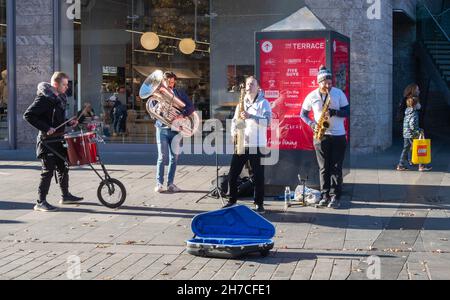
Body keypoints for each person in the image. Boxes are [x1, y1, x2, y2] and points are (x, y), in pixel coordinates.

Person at [23, 72, 84, 212]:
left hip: (58, 139)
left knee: (63, 167)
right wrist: (46, 128)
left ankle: (66, 196)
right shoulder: (44, 98)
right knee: (48, 171)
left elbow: (58, 118)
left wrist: (69, 123)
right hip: (46, 141)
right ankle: (40, 202)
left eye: (67, 84)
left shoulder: (59, 98)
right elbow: (28, 115)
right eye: (64, 84)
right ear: (55, 84)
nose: (67, 87)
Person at [300, 66, 350, 209]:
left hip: (338, 135)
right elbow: (303, 114)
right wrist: (312, 124)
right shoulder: (312, 96)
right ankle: (324, 195)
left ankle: (335, 196)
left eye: (329, 82)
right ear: (318, 82)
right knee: (323, 168)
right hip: (321, 135)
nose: (328, 85)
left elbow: (347, 111)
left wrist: (334, 112)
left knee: (336, 167)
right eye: (325, 82)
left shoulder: (338, 93)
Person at [223, 76, 272, 214]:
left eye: (252, 84)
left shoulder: (264, 103)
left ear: (258, 87)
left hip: (257, 144)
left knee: (258, 175)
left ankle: (259, 203)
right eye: (247, 84)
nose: (249, 86)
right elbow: (235, 121)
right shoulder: (241, 103)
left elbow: (268, 122)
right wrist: (234, 133)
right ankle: (232, 200)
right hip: (242, 143)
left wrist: (251, 116)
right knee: (233, 174)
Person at [154, 71, 195, 193]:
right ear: (163, 81)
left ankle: (170, 184)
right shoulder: (157, 95)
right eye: (168, 82)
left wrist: (181, 114)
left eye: (172, 82)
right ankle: (159, 184)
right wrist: (158, 109)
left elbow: (191, 107)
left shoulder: (179, 93)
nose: (171, 84)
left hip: (176, 129)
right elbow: (152, 111)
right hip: (161, 128)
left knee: (174, 158)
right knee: (162, 157)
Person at [396, 96, 432, 172]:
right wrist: (419, 130)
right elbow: (412, 125)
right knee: (419, 148)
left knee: (405, 149)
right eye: (418, 103)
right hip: (412, 134)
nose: (419, 104)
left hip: (406, 134)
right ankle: (421, 166)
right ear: (415, 105)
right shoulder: (414, 113)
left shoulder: (407, 111)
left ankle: (400, 165)